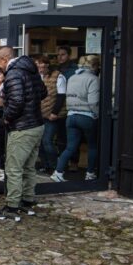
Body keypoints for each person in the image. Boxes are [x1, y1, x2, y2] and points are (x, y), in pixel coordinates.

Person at [0, 46, 46, 222]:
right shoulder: (31, 70)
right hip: (37, 124)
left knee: (13, 167)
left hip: (22, 127)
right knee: (29, 166)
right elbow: (43, 92)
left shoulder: (14, 74)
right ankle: (27, 202)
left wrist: (6, 118)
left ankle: (12, 207)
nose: (0, 68)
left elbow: (16, 101)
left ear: (4, 59)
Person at [52, 54, 101, 183]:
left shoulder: (72, 77)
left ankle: (58, 172)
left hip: (71, 116)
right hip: (87, 116)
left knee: (70, 147)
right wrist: (97, 114)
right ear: (94, 66)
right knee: (92, 146)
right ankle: (90, 174)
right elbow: (93, 102)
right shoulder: (93, 79)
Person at [38, 57, 66, 174]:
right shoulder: (39, 77)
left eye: (43, 67)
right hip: (40, 115)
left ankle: (54, 166)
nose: (41, 69)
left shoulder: (59, 76)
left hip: (52, 115)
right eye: (39, 67)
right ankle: (45, 165)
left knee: (47, 141)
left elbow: (61, 96)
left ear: (49, 66)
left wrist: (54, 113)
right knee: (39, 142)